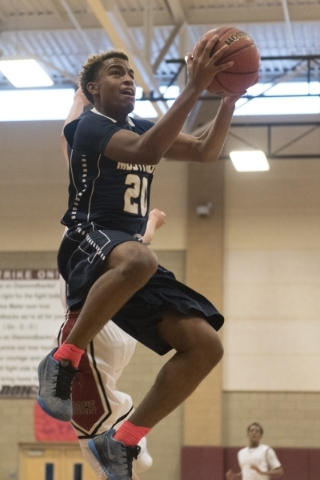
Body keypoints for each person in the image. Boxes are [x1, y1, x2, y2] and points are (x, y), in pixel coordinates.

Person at [37, 35, 245, 480]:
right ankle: (62, 361)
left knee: (205, 346)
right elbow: (146, 152)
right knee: (140, 260)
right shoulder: (88, 126)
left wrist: (228, 98)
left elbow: (207, 151)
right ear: (93, 90)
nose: (128, 79)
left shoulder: (141, 125)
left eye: (131, 73)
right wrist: (193, 86)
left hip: (126, 258)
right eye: (116, 73)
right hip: (86, 240)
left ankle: (123, 440)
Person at [58, 89, 166, 480]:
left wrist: (78, 102)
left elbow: (70, 138)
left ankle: (120, 453)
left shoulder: (91, 230)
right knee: (117, 448)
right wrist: (151, 223)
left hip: (98, 328)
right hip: (116, 327)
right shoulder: (114, 230)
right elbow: (72, 140)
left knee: (106, 448)